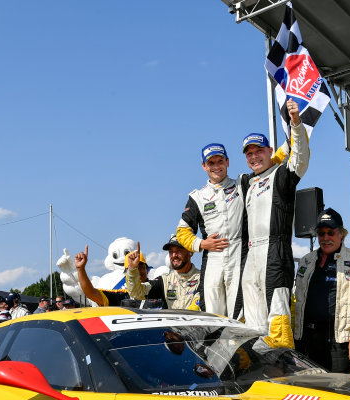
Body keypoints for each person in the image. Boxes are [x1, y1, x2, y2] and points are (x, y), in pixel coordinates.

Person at [240, 98, 308, 348]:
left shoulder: (281, 175)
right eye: (249, 153)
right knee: (253, 322)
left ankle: (283, 372)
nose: (255, 156)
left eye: (259, 151)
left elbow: (300, 159)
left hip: (275, 251)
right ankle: (258, 372)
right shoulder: (247, 182)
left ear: (270, 152)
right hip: (251, 255)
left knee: (277, 316)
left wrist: (296, 125)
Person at [293, 208, 350, 372]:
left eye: (330, 233)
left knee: (338, 392)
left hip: (340, 345)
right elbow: (295, 301)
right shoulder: (306, 261)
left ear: (341, 234)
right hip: (305, 342)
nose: (325, 238)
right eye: (321, 233)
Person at [176, 143, 245, 319]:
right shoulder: (197, 196)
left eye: (220, 161)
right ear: (204, 166)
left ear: (227, 162)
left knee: (239, 311)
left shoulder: (242, 184)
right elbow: (182, 232)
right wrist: (201, 244)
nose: (216, 166)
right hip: (213, 258)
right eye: (211, 163)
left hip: (239, 253)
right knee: (213, 313)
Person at [127, 235, 201, 310]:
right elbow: (136, 293)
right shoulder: (165, 280)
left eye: (179, 251)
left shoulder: (203, 278)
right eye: (171, 252)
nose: (174, 255)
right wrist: (132, 269)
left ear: (190, 253)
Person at [73, 244, 151, 306]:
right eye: (133, 268)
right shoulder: (122, 296)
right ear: (127, 273)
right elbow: (91, 294)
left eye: (141, 267)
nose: (138, 272)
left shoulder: (158, 286)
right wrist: (81, 269)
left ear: (146, 269)